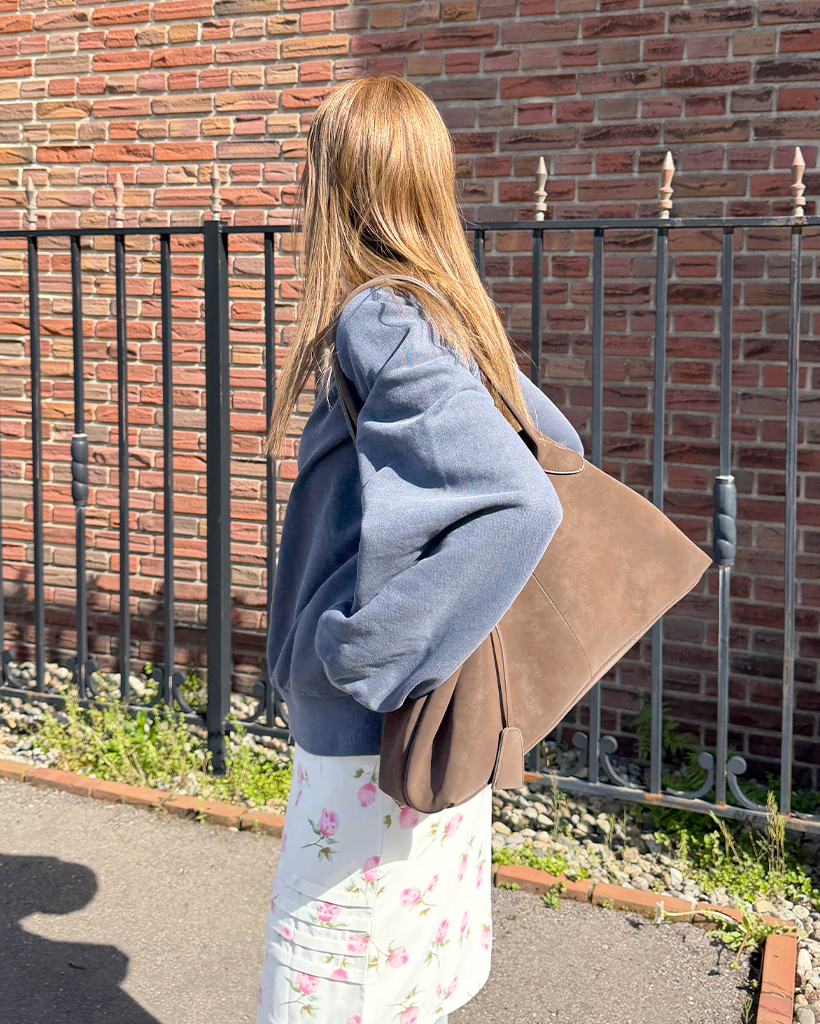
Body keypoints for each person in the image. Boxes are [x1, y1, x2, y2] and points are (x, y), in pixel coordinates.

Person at [258, 74, 583, 1024]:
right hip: (421, 729)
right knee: (398, 985)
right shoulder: (445, 309)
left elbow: (523, 499)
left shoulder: (378, 316)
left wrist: (364, 651)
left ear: (337, 184)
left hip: (371, 727)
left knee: (327, 987)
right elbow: (553, 448)